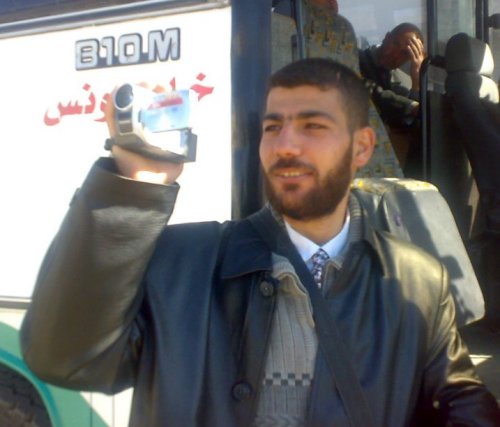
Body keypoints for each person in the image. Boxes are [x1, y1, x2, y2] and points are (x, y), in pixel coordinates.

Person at [20, 58, 500, 426]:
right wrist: (137, 185)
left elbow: (459, 399)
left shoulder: (418, 281)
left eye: (312, 126)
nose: (285, 144)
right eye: (273, 127)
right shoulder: (182, 262)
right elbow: (65, 359)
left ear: (361, 148)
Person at [359, 22, 426, 129]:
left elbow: (409, 122)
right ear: (386, 37)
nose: (395, 55)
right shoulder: (356, 59)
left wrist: (417, 77)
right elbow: (367, 90)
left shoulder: (395, 81)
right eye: (395, 44)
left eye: (405, 53)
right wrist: (412, 106)